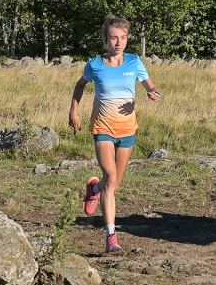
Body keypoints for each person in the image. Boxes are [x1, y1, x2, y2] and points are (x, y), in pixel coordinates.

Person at [68, 15, 160, 253]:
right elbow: (80, 86)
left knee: (113, 184)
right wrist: (74, 111)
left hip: (127, 129)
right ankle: (111, 237)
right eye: (114, 38)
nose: (119, 43)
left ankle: (94, 189)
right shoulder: (95, 65)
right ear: (106, 41)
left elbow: (150, 84)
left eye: (123, 38)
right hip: (103, 129)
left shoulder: (134, 62)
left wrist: (153, 93)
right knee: (110, 175)